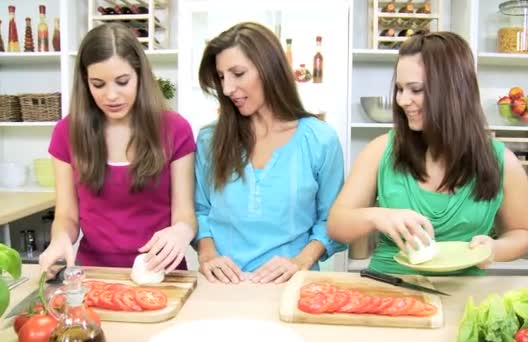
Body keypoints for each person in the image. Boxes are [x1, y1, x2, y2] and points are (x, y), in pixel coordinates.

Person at [327, 31, 528, 275]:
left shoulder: (503, 162)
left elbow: (521, 233)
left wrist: (495, 248)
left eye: (415, 89)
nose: (402, 100)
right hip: (389, 287)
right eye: (399, 89)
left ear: (454, 91)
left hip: (463, 295)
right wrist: (377, 216)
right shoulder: (381, 150)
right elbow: (336, 224)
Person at [39, 23, 197, 275]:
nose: (111, 95)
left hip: (161, 272)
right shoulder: (66, 133)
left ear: (139, 77)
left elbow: (185, 214)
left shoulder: (175, 129)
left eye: (122, 82)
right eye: (98, 84)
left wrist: (182, 231)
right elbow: (67, 215)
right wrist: (60, 239)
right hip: (94, 273)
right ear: (85, 83)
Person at [195, 22, 345, 284]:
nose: (227, 88)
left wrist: (301, 261)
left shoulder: (320, 139)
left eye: (238, 73)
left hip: (293, 288)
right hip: (222, 289)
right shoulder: (210, 139)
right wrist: (207, 255)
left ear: (270, 70)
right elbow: (200, 210)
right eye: (221, 77)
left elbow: (332, 220)